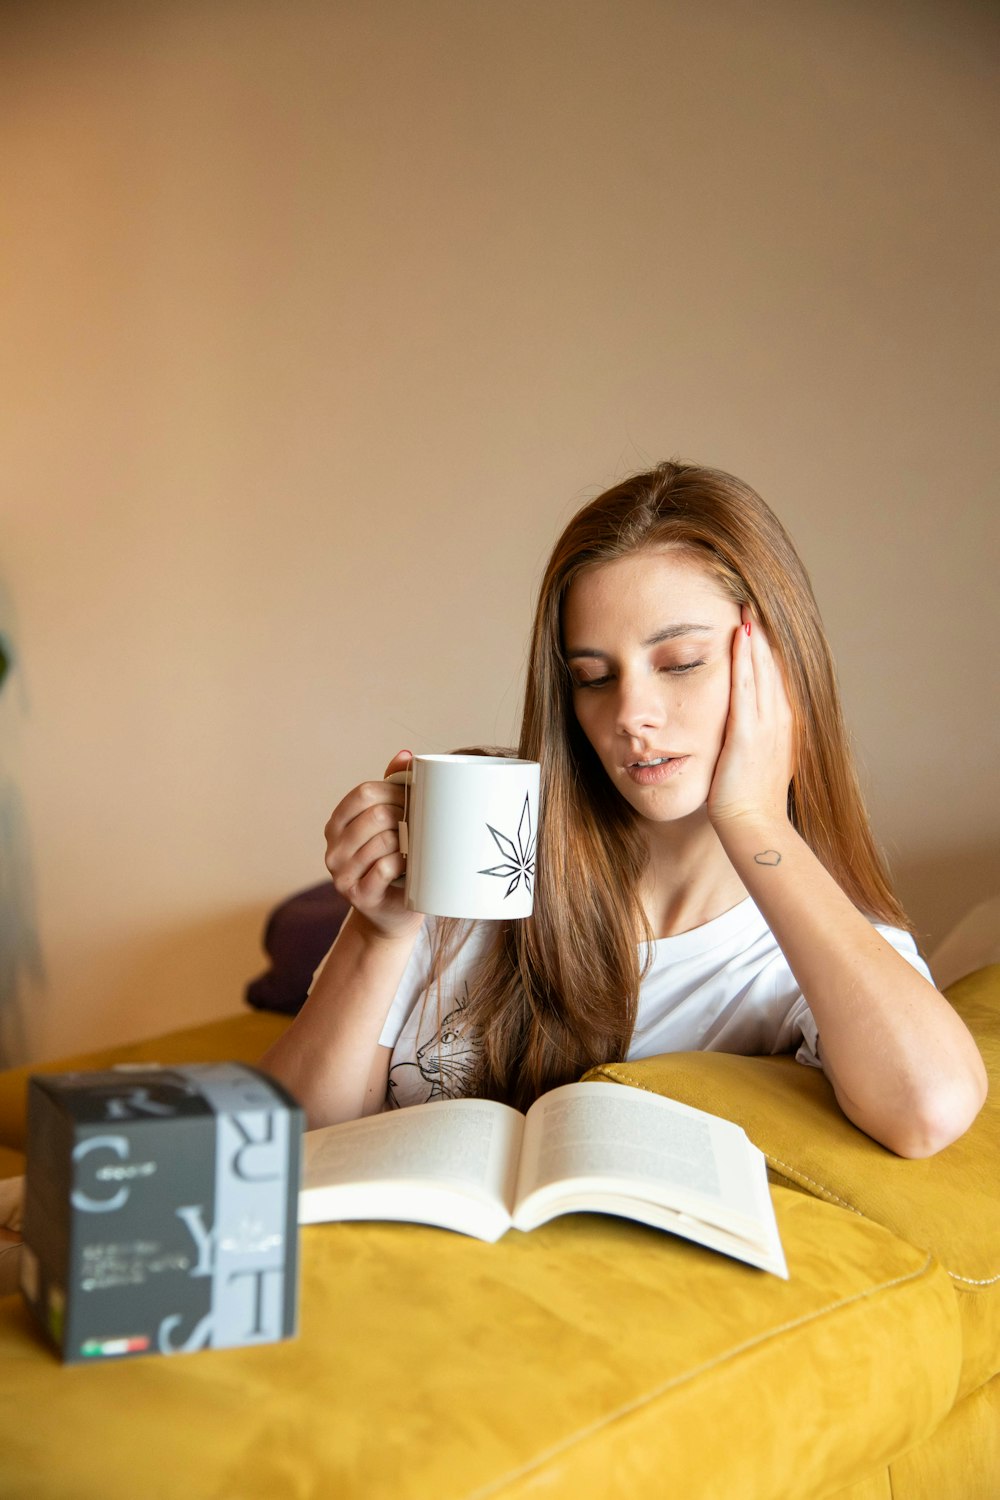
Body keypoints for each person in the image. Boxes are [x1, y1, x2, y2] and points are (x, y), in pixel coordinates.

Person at [262, 461, 987, 1156]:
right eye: (593, 677)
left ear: (776, 665)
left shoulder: (803, 950)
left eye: (680, 664)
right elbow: (285, 1148)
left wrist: (757, 821)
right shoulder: (479, 838)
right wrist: (377, 931)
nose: (631, 714)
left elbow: (931, 1108)